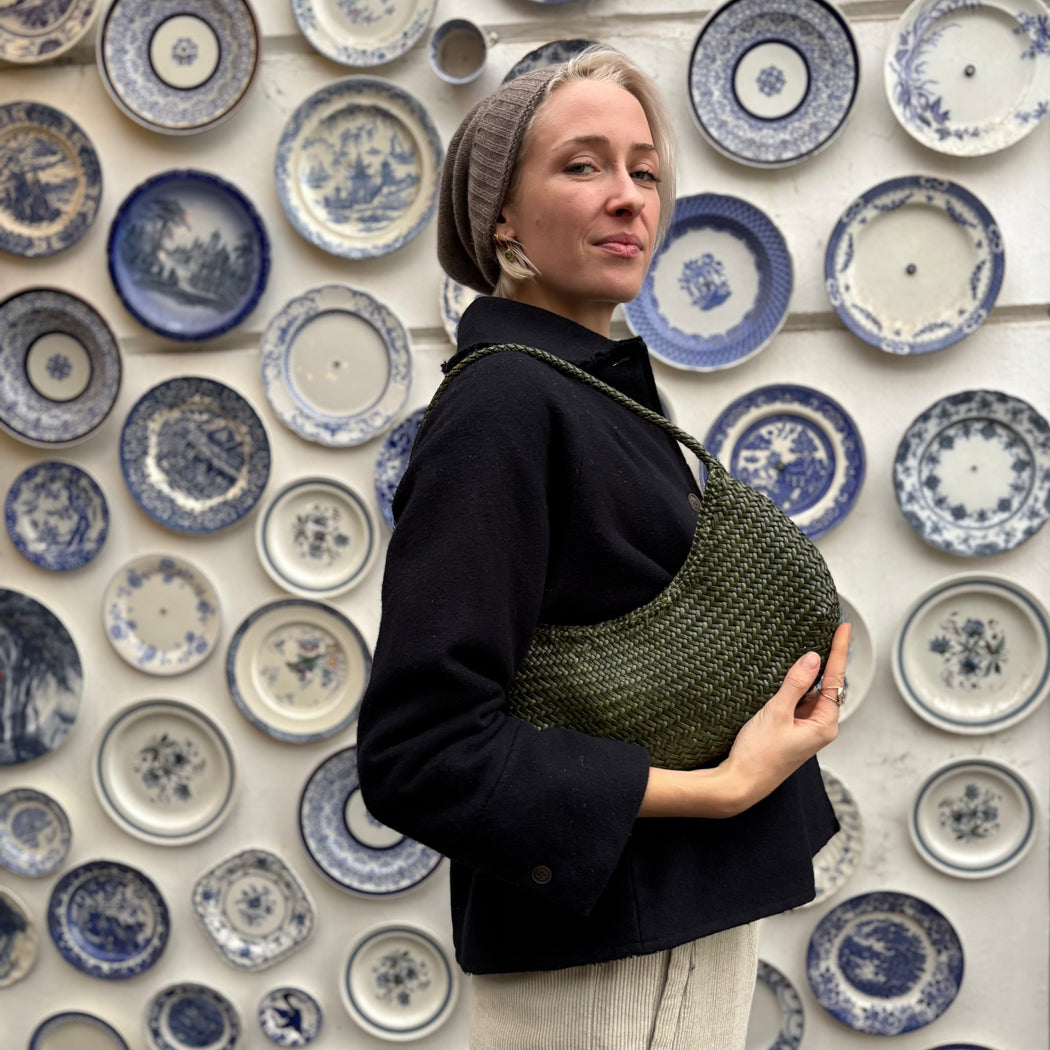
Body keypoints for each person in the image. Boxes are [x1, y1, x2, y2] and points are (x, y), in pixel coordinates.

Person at [356, 47, 851, 1050]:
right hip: (611, 966)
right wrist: (718, 788)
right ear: (501, 214)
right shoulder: (505, 402)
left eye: (645, 170)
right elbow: (420, 754)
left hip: (666, 932)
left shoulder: (591, 388)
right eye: (583, 165)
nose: (629, 197)